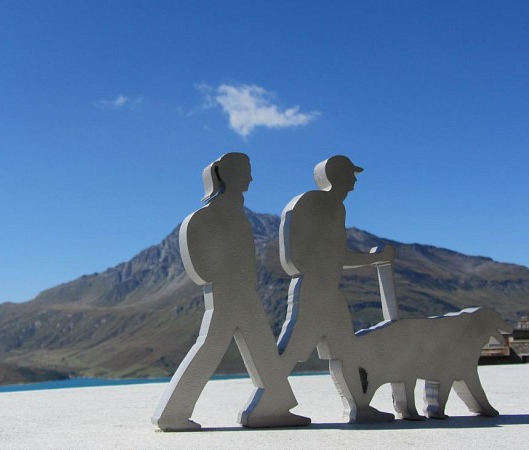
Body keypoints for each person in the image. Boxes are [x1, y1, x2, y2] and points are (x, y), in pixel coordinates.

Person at [152, 152, 309, 431]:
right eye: (246, 171)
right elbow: (200, 263)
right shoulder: (205, 217)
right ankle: (172, 413)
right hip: (228, 295)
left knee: (261, 349)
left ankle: (273, 407)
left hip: (243, 294)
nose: (251, 177)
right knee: (210, 349)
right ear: (227, 175)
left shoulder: (236, 214)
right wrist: (222, 282)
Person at [243, 155, 396, 424]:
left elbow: (339, 256)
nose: (355, 181)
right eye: (351, 174)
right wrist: (315, 270)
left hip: (329, 292)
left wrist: (373, 259)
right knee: (291, 350)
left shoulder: (337, 208)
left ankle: (358, 407)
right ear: (336, 176)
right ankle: (263, 406)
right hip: (313, 291)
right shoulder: (309, 203)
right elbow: (293, 257)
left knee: (346, 350)